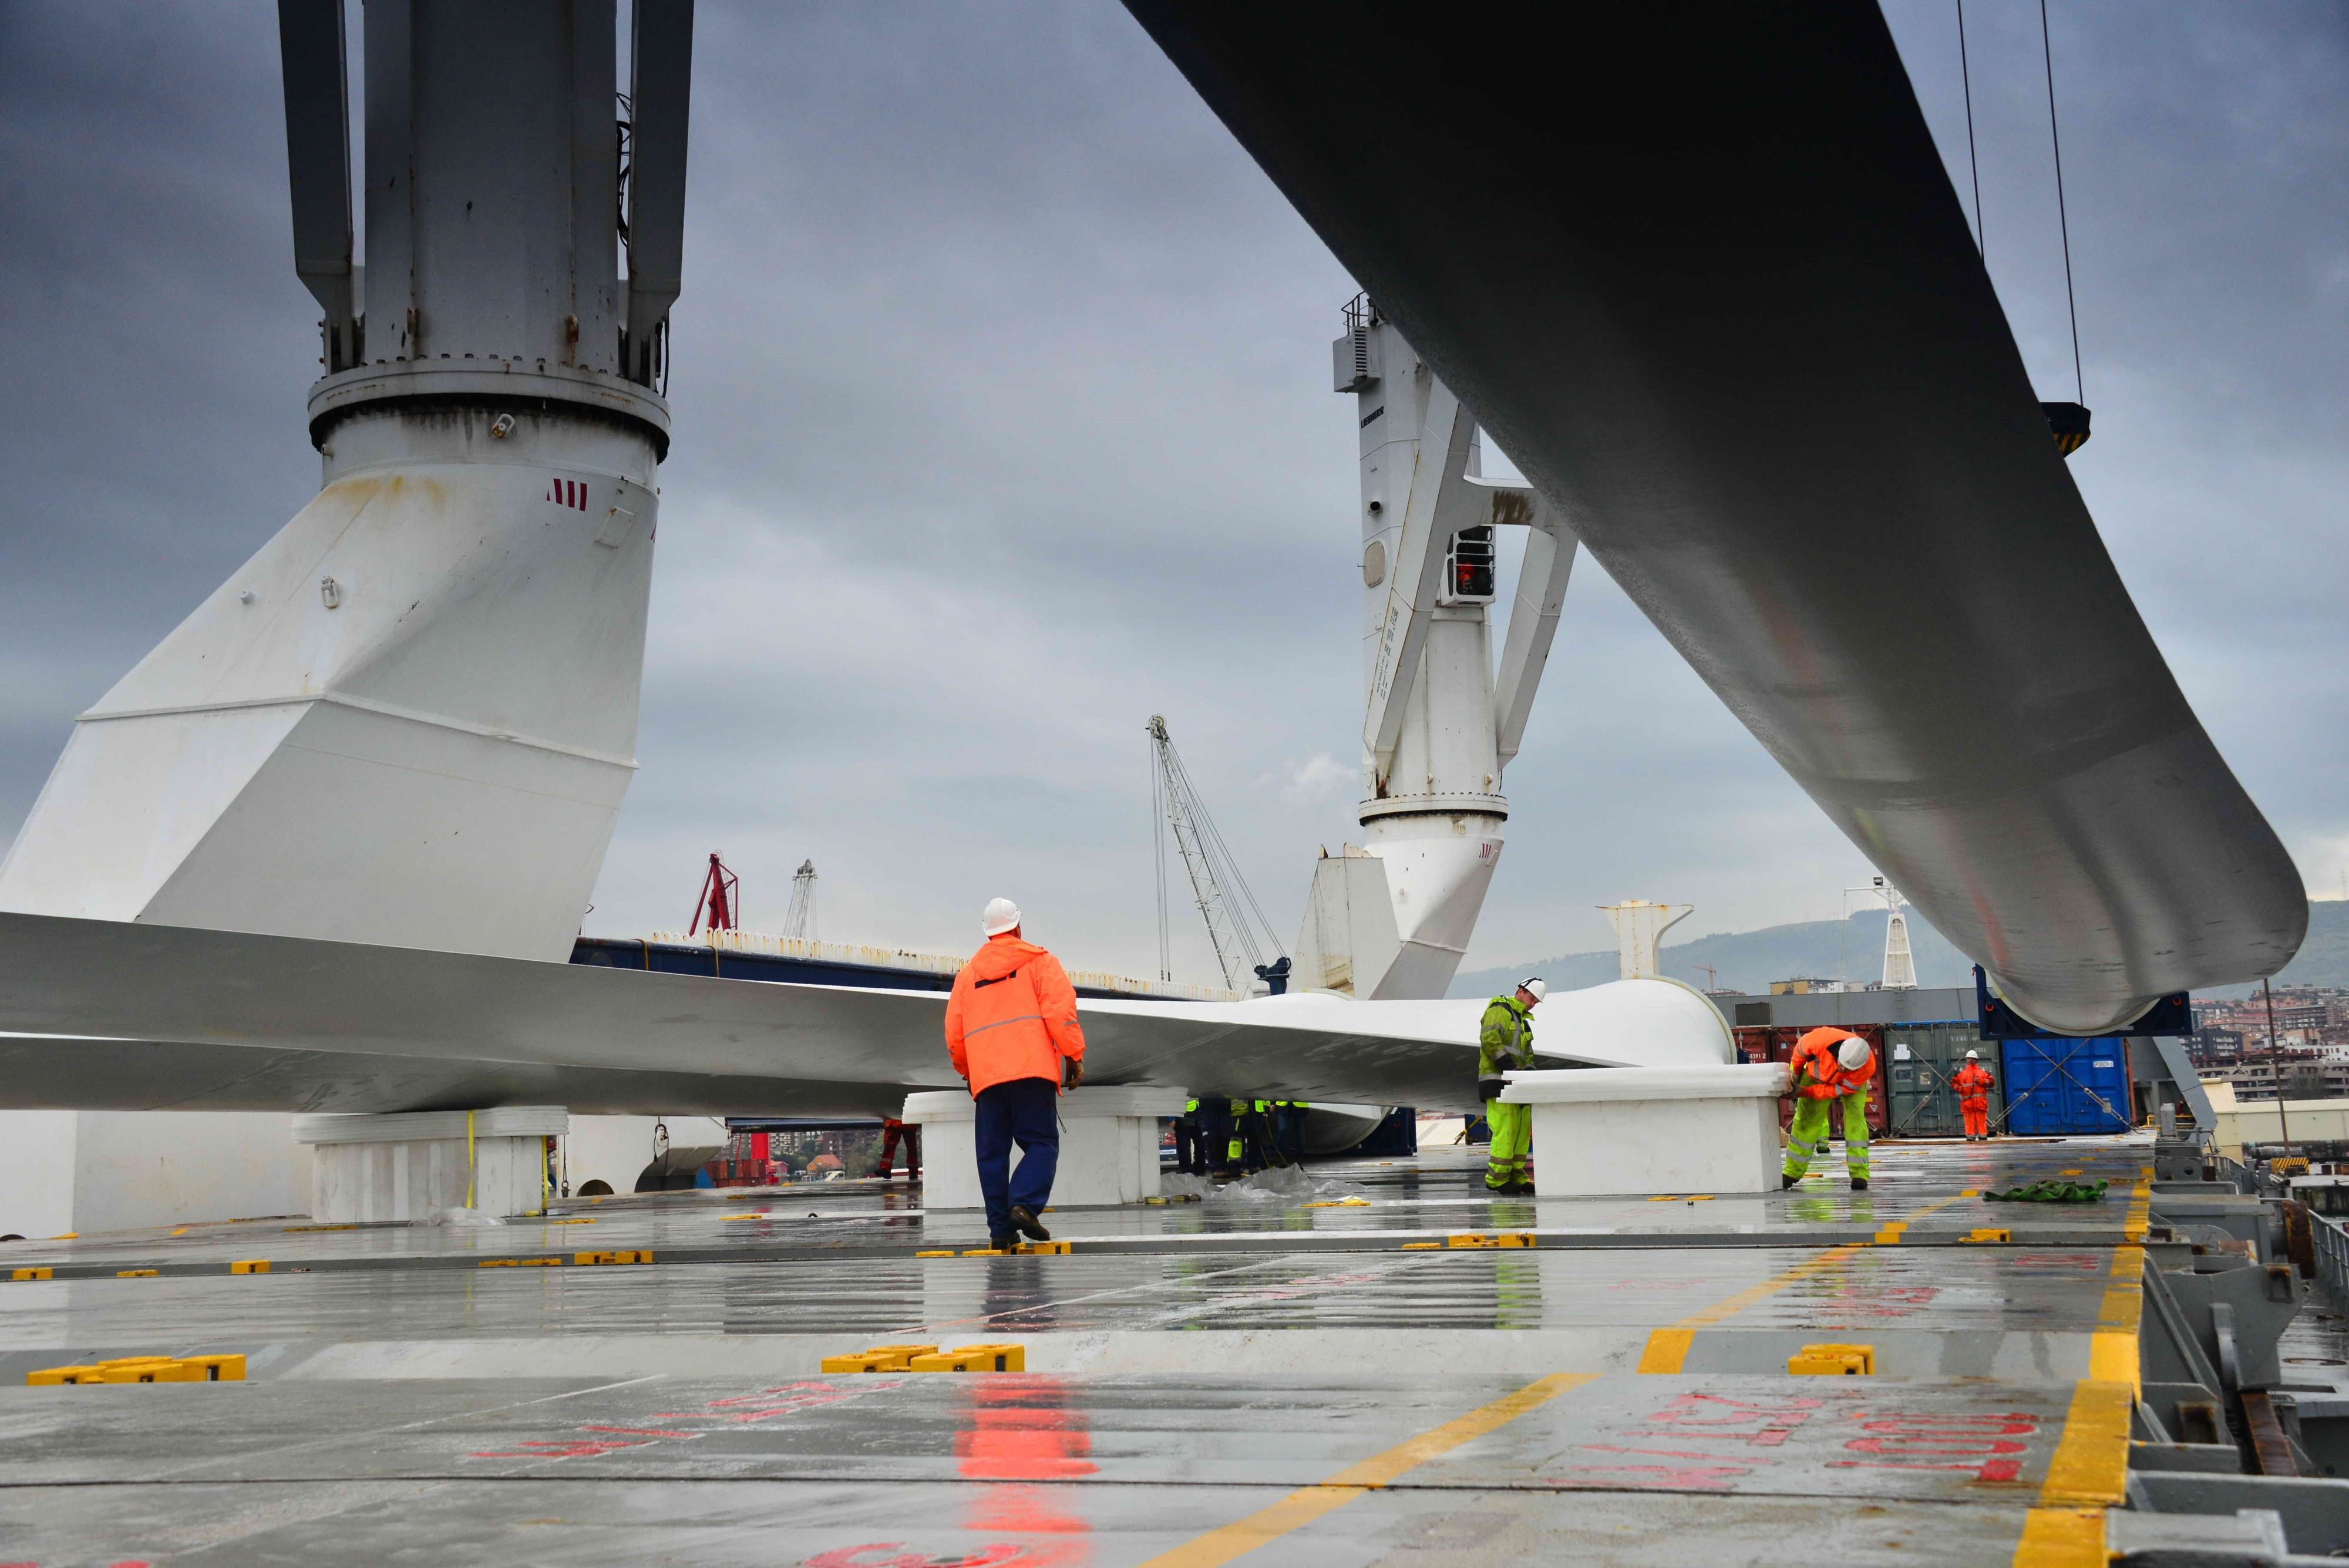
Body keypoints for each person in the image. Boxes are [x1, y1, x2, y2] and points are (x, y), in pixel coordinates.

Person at [944, 897, 1085, 1251]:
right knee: (1040, 1143)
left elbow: (954, 1034)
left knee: (992, 1155)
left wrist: (967, 1070)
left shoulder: (966, 976)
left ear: (988, 933)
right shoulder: (1041, 963)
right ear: (1018, 927)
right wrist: (1074, 1055)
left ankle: (1000, 1232)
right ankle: (1022, 1205)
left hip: (988, 1080)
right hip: (1031, 1072)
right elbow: (1061, 1013)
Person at [1782, 1027, 1876, 1190]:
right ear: (1839, 1053)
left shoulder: (1867, 1067)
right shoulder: (1818, 1039)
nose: (1843, 1070)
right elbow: (1799, 1054)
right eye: (1842, 1065)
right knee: (1805, 1122)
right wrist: (1794, 1078)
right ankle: (1791, 1173)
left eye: (1848, 1069)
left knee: (1855, 1122)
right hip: (1814, 1078)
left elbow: (1840, 1090)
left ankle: (1860, 1174)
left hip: (1845, 1086)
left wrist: (1806, 1092)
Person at [1477, 978, 1546, 1194]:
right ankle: (1497, 1180)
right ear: (1520, 992)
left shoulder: (1523, 1022)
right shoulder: (1500, 1010)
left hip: (1517, 1085)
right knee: (1506, 1133)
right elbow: (1489, 1039)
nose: (1532, 1004)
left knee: (1520, 1135)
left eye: (1536, 1002)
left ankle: (1516, 1176)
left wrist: (1529, 1073)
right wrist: (1508, 1066)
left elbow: (1527, 1055)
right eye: (1531, 998)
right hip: (1497, 1082)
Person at [1953, 1049, 1995, 1142]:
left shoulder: (1983, 1073)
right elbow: (1953, 1083)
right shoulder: (1961, 1074)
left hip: (1980, 1104)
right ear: (1966, 1060)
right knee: (1969, 1123)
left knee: (1981, 1123)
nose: (1970, 1060)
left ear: (1976, 1060)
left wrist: (1981, 1081)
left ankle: (1983, 1139)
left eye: (1972, 1059)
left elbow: (1991, 1082)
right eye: (1969, 1059)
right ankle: (1970, 1140)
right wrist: (1960, 1089)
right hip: (1968, 1105)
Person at [878, 1116, 921, 1180]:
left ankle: (885, 1168)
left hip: (896, 1121)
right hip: (905, 1121)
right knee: (911, 1147)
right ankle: (913, 1171)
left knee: (890, 1145)